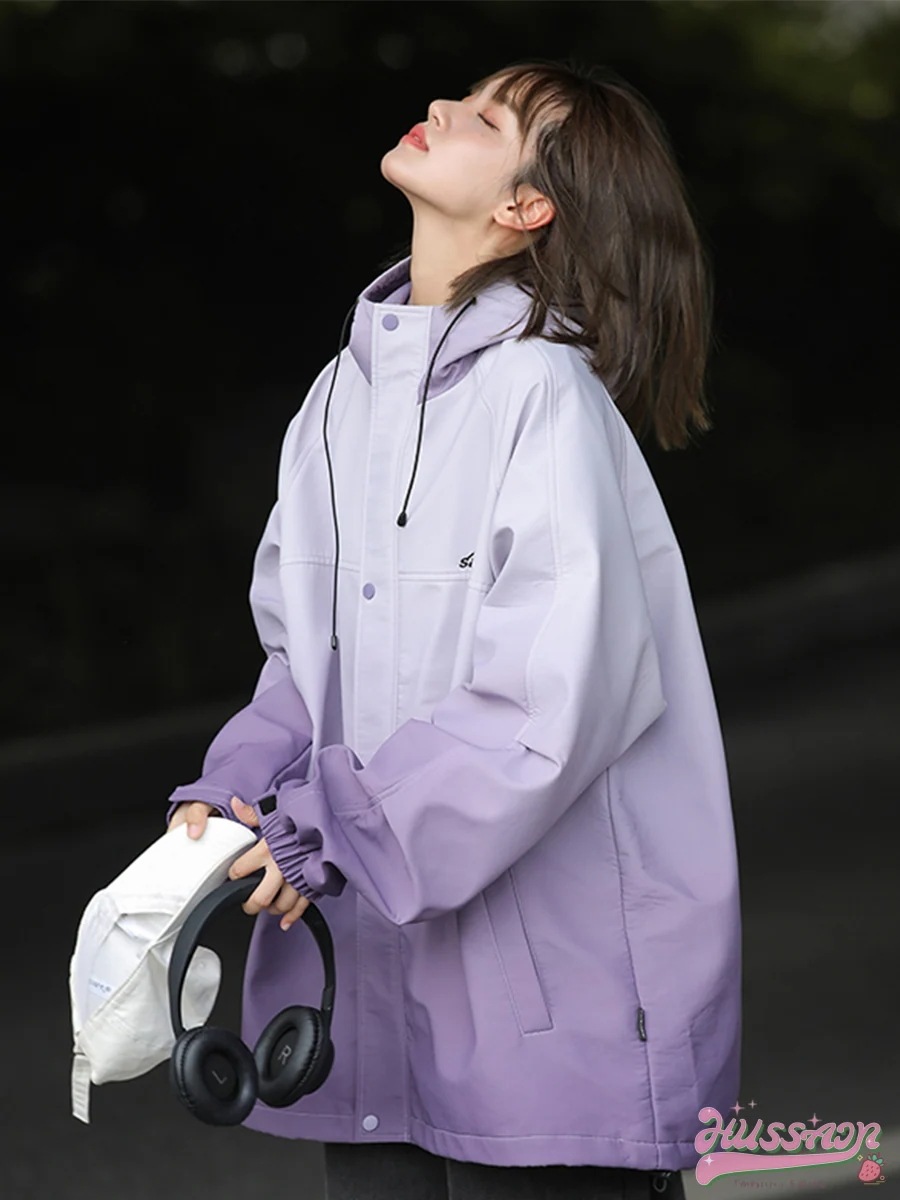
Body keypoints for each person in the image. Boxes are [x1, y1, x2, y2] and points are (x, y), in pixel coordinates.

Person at [166, 56, 741, 1200]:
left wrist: (331, 829)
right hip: (363, 996)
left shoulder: (546, 398)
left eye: (484, 118)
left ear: (527, 207)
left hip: (548, 1018)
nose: (439, 108)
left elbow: (547, 705)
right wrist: (237, 788)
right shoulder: (338, 399)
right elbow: (300, 660)